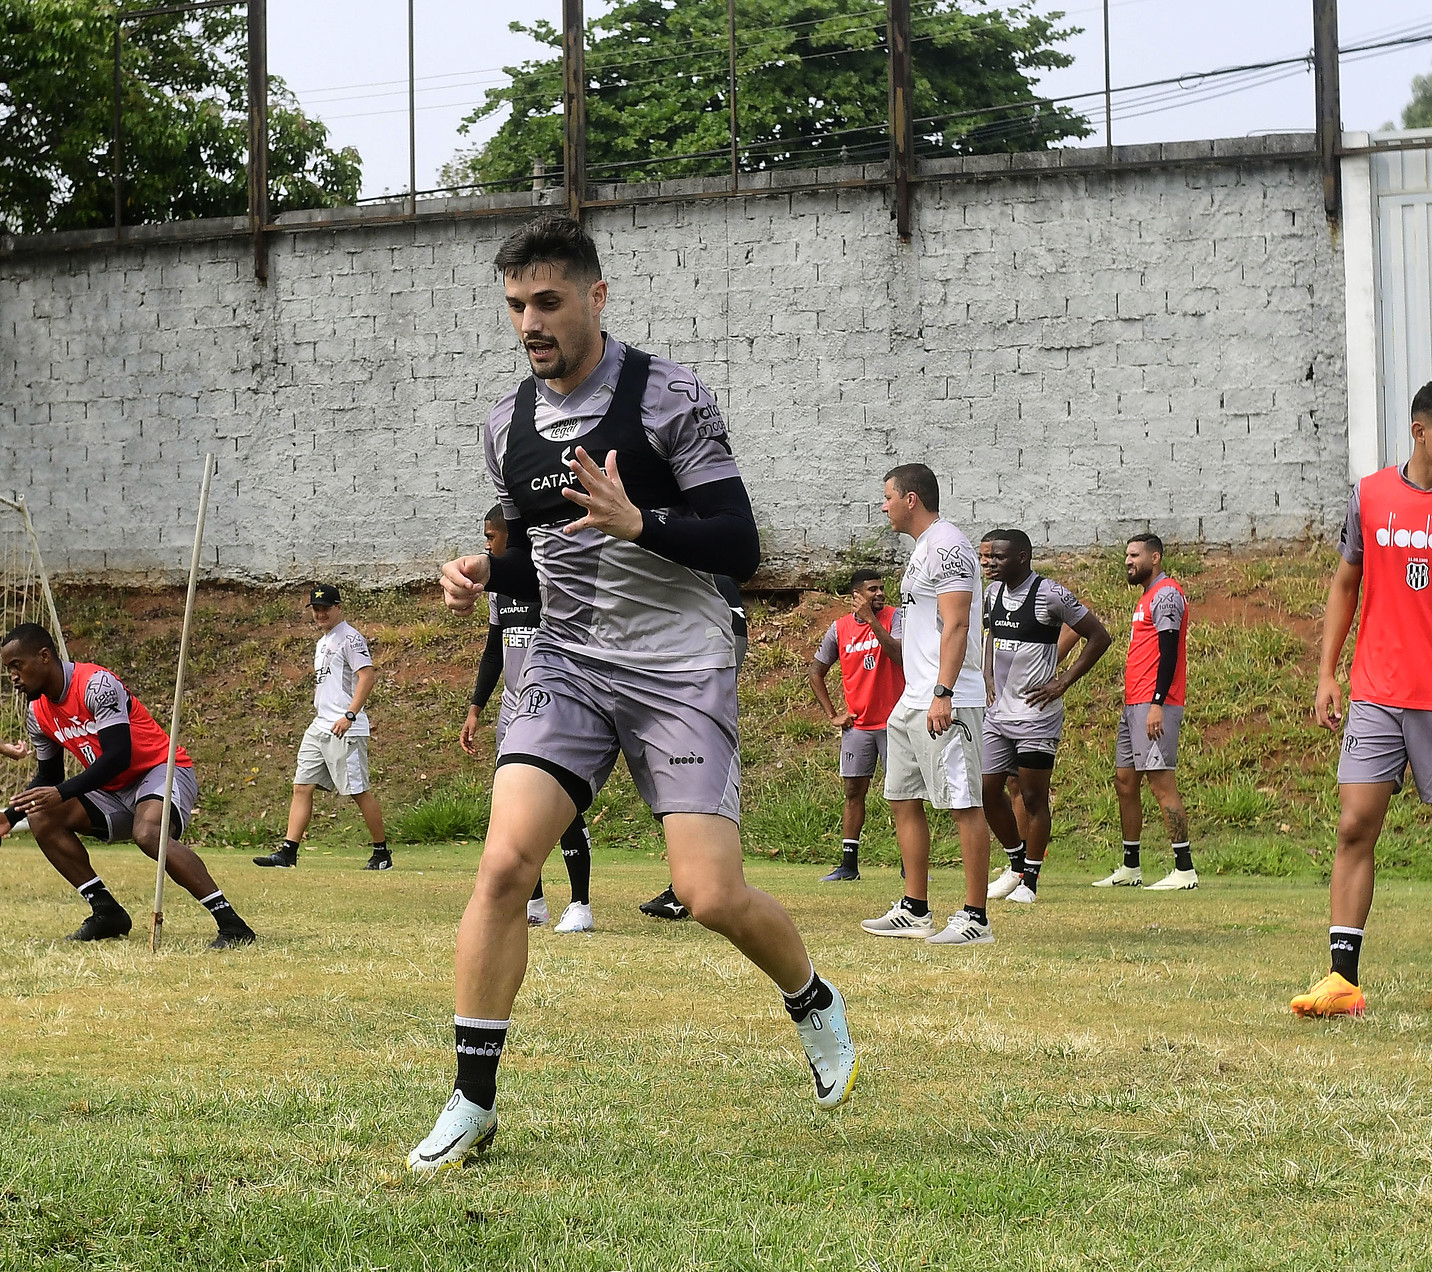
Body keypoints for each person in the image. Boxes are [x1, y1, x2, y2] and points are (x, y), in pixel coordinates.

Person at [407, 213, 855, 1174]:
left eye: (548, 302)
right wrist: (483, 573)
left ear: (596, 296)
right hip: (566, 661)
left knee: (708, 893)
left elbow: (741, 544)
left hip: (678, 664)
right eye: (516, 305)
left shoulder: (668, 396)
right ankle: (472, 1101)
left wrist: (641, 520)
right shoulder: (506, 426)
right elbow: (538, 554)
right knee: (503, 866)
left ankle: (812, 998)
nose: (531, 323)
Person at [1294, 378, 1432, 1021]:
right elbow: (1345, 584)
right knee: (1354, 825)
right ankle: (1342, 979)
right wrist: (1328, 672)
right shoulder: (1371, 496)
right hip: (1378, 693)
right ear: (1420, 431)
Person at [0, 623, 256, 948]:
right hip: (111, 790)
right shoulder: (37, 713)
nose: (13, 677)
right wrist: (9, 817)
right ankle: (107, 912)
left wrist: (62, 792)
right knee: (42, 816)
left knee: (148, 833)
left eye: (17, 666)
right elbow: (49, 777)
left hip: (159, 770)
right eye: (8, 670)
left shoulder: (96, 685)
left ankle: (232, 925)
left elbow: (118, 756)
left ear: (44, 656)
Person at [858, 463, 994, 946]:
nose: (884, 507)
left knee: (962, 802)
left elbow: (957, 624)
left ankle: (975, 918)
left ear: (910, 499)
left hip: (947, 697)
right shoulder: (921, 549)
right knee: (901, 796)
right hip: (912, 697)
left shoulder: (949, 545)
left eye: (888, 497)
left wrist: (943, 692)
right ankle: (915, 909)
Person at [463, 505, 595, 933]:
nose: (487, 545)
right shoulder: (498, 591)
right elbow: (494, 650)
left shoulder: (548, 582)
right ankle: (533, 903)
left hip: (550, 708)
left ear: (510, 536)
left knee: (559, 806)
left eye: (491, 536)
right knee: (513, 810)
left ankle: (580, 904)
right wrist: (476, 708)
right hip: (511, 711)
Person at [978, 529, 1112, 904]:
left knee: (1033, 796)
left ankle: (1030, 881)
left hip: (1036, 716)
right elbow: (990, 636)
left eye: (998, 557)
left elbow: (1099, 636)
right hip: (997, 715)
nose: (990, 563)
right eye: (987, 557)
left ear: (1022, 557)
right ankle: (1016, 864)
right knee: (986, 792)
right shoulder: (992, 594)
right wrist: (987, 675)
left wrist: (1062, 682)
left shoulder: (1049, 595)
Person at [251, 585, 391, 871]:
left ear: (339, 607)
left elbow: (367, 677)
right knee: (301, 786)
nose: (320, 614)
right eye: (316, 609)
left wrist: (349, 715)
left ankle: (382, 854)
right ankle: (288, 852)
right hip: (320, 725)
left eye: (326, 608)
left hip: (345, 727)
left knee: (358, 791)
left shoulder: (350, 638)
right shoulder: (323, 642)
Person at [637, 574, 750, 921]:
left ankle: (695, 888)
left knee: (697, 797)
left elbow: (737, 638)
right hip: (671, 697)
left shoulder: (712, 576)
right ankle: (688, 886)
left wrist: (708, 693)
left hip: (694, 705)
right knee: (679, 796)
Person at [1091, 534, 1199, 891]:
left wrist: (1157, 703)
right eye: (1126, 554)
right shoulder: (1147, 595)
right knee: (1125, 781)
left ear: (1155, 558)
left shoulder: (1166, 594)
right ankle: (1130, 867)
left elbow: (1169, 652)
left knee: (1161, 782)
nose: (1128, 561)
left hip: (1155, 705)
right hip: (1134, 704)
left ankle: (1185, 870)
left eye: (1135, 555)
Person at [807, 567, 904, 882]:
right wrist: (832, 714)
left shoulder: (896, 617)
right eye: (872, 589)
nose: (880, 593)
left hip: (894, 723)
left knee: (902, 794)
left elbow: (899, 655)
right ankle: (848, 866)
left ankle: (910, 866)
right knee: (853, 791)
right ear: (856, 595)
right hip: (858, 726)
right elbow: (816, 673)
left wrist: (872, 621)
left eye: (881, 588)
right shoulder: (839, 629)